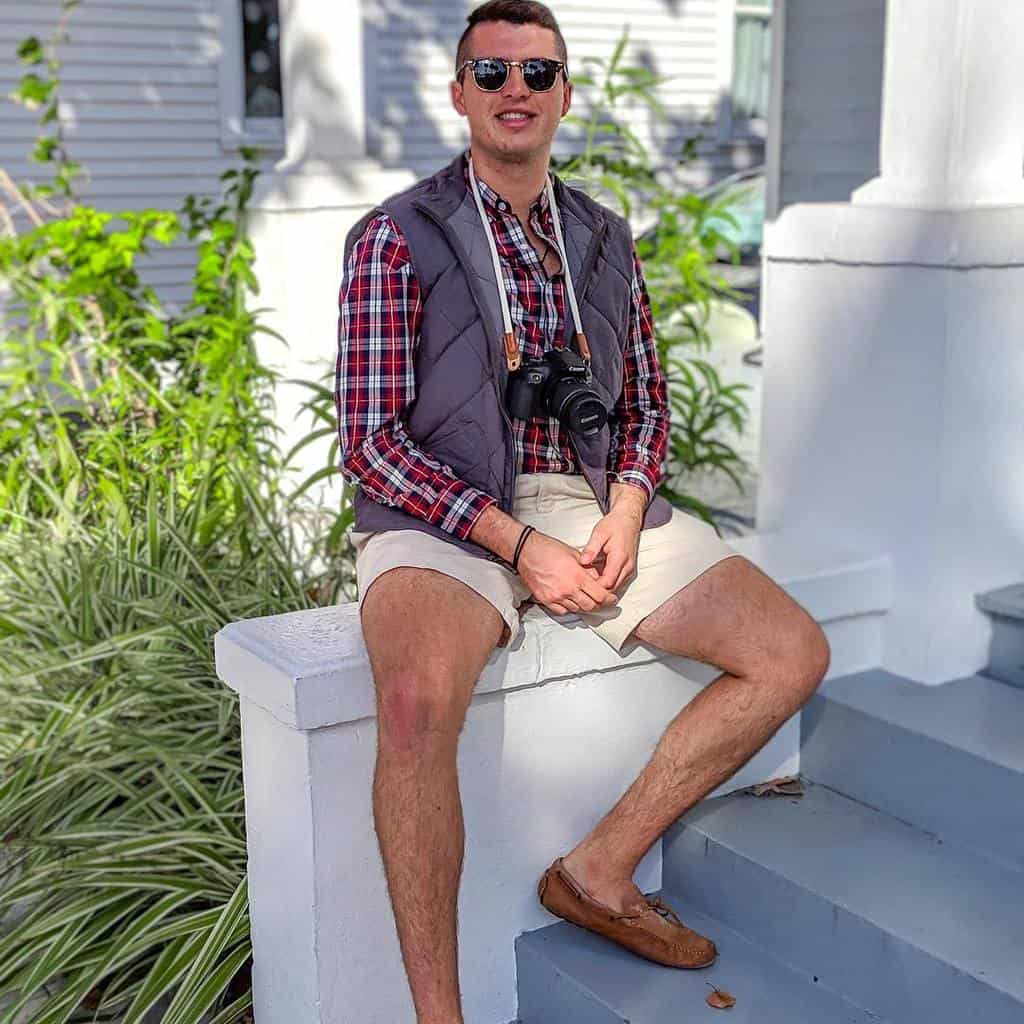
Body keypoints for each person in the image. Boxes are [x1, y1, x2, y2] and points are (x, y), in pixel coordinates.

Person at [334, 2, 830, 1020]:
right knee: (414, 706)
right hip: (444, 507)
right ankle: (441, 1014)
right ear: (458, 90)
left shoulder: (600, 235)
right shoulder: (396, 235)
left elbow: (647, 400)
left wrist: (627, 502)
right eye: (490, 69)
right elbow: (373, 442)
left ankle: (599, 868)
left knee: (789, 652)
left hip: (584, 495)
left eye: (537, 72)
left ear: (563, 91)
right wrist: (513, 543)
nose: (514, 89)